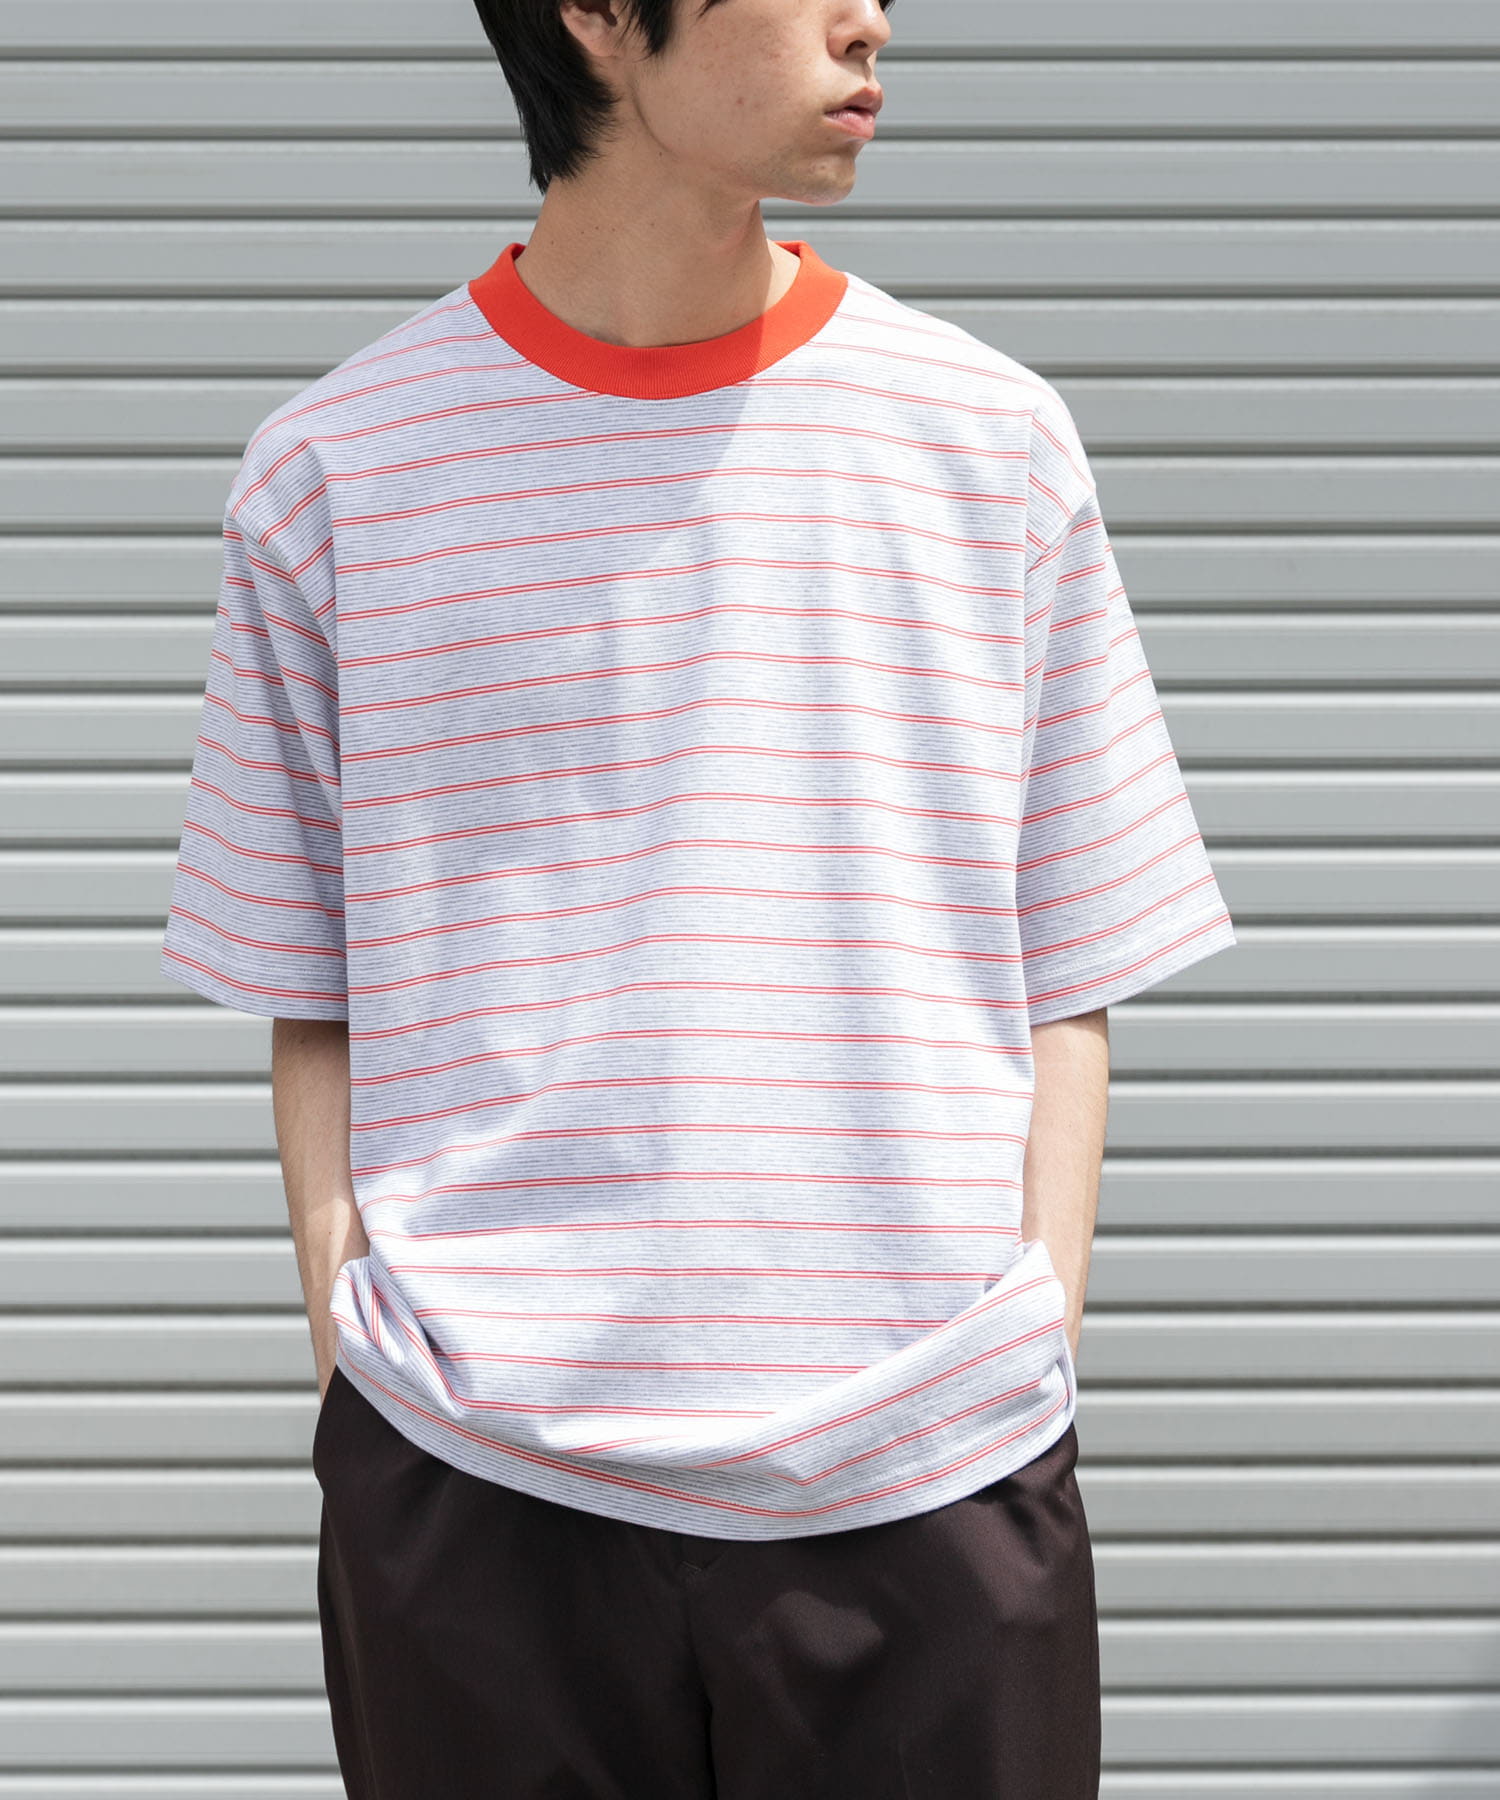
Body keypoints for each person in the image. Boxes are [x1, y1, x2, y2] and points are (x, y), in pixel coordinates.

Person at [159, 0, 1238, 1793]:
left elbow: (1071, 960)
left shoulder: (988, 441)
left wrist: (1032, 1331)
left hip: (930, 1477)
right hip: (480, 1488)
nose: (868, 19)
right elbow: (310, 983)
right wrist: (356, 1350)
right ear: (597, 15)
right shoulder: (335, 471)